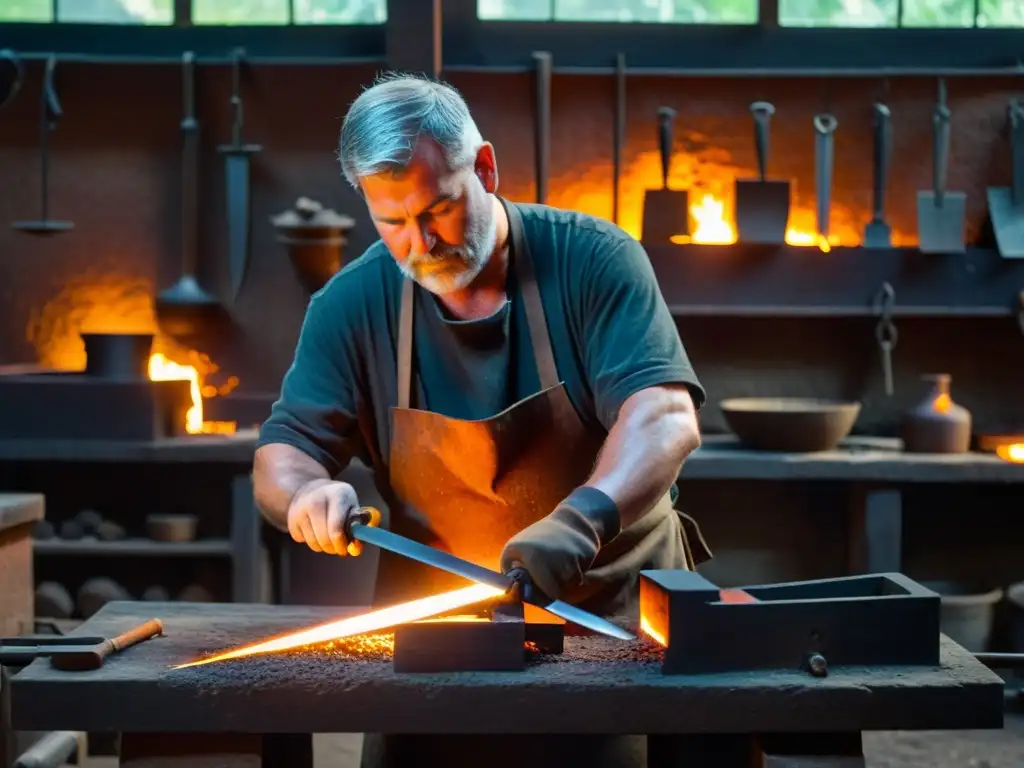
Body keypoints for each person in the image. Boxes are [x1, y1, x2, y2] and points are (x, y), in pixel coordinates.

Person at [254, 71, 711, 768]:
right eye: (393, 222)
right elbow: (283, 452)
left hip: (609, 625)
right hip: (436, 636)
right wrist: (303, 494)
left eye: (438, 209)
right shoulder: (351, 304)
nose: (421, 243)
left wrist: (581, 521)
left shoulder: (594, 261)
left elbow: (665, 416)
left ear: (487, 168)